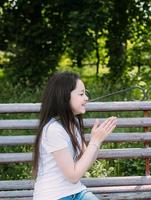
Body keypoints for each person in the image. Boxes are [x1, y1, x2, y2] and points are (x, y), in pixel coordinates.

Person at [32, 72, 117, 200]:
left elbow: (86, 160)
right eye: (81, 94)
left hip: (77, 192)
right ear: (64, 97)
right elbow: (73, 176)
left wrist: (97, 141)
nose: (86, 98)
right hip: (54, 195)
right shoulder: (53, 130)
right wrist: (94, 141)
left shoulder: (73, 122)